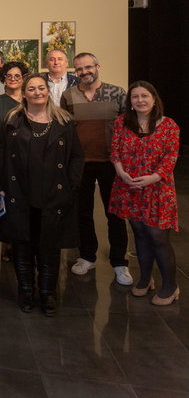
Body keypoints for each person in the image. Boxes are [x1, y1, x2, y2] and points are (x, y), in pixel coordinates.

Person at [0, 74, 84, 316]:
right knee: (23, 245)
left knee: (49, 247)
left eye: (41, 88)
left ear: (47, 91)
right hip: (19, 194)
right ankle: (26, 290)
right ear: (24, 93)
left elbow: (76, 157)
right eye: (31, 89)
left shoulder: (64, 122)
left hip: (54, 195)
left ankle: (48, 293)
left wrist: (72, 185)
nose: (36, 93)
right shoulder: (11, 121)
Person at [60, 52, 131, 285]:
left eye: (88, 67)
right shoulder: (68, 95)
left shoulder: (118, 93)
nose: (84, 72)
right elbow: (66, 131)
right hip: (81, 164)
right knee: (83, 212)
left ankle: (120, 262)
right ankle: (87, 256)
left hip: (111, 163)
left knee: (115, 214)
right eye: (79, 69)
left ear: (98, 66)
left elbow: (126, 130)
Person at [109, 82, 180, 305]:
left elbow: (171, 157)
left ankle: (170, 285)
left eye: (144, 96)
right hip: (128, 186)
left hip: (157, 189)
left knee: (158, 236)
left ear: (154, 98)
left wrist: (153, 178)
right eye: (135, 97)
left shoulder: (169, 126)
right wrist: (121, 172)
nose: (140, 100)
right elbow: (115, 150)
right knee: (139, 233)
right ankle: (145, 279)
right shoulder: (122, 122)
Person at [0, 61, 29, 135]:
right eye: (9, 75)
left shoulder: (30, 100)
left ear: (23, 79)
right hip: (2, 144)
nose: (12, 79)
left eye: (17, 76)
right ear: (4, 78)